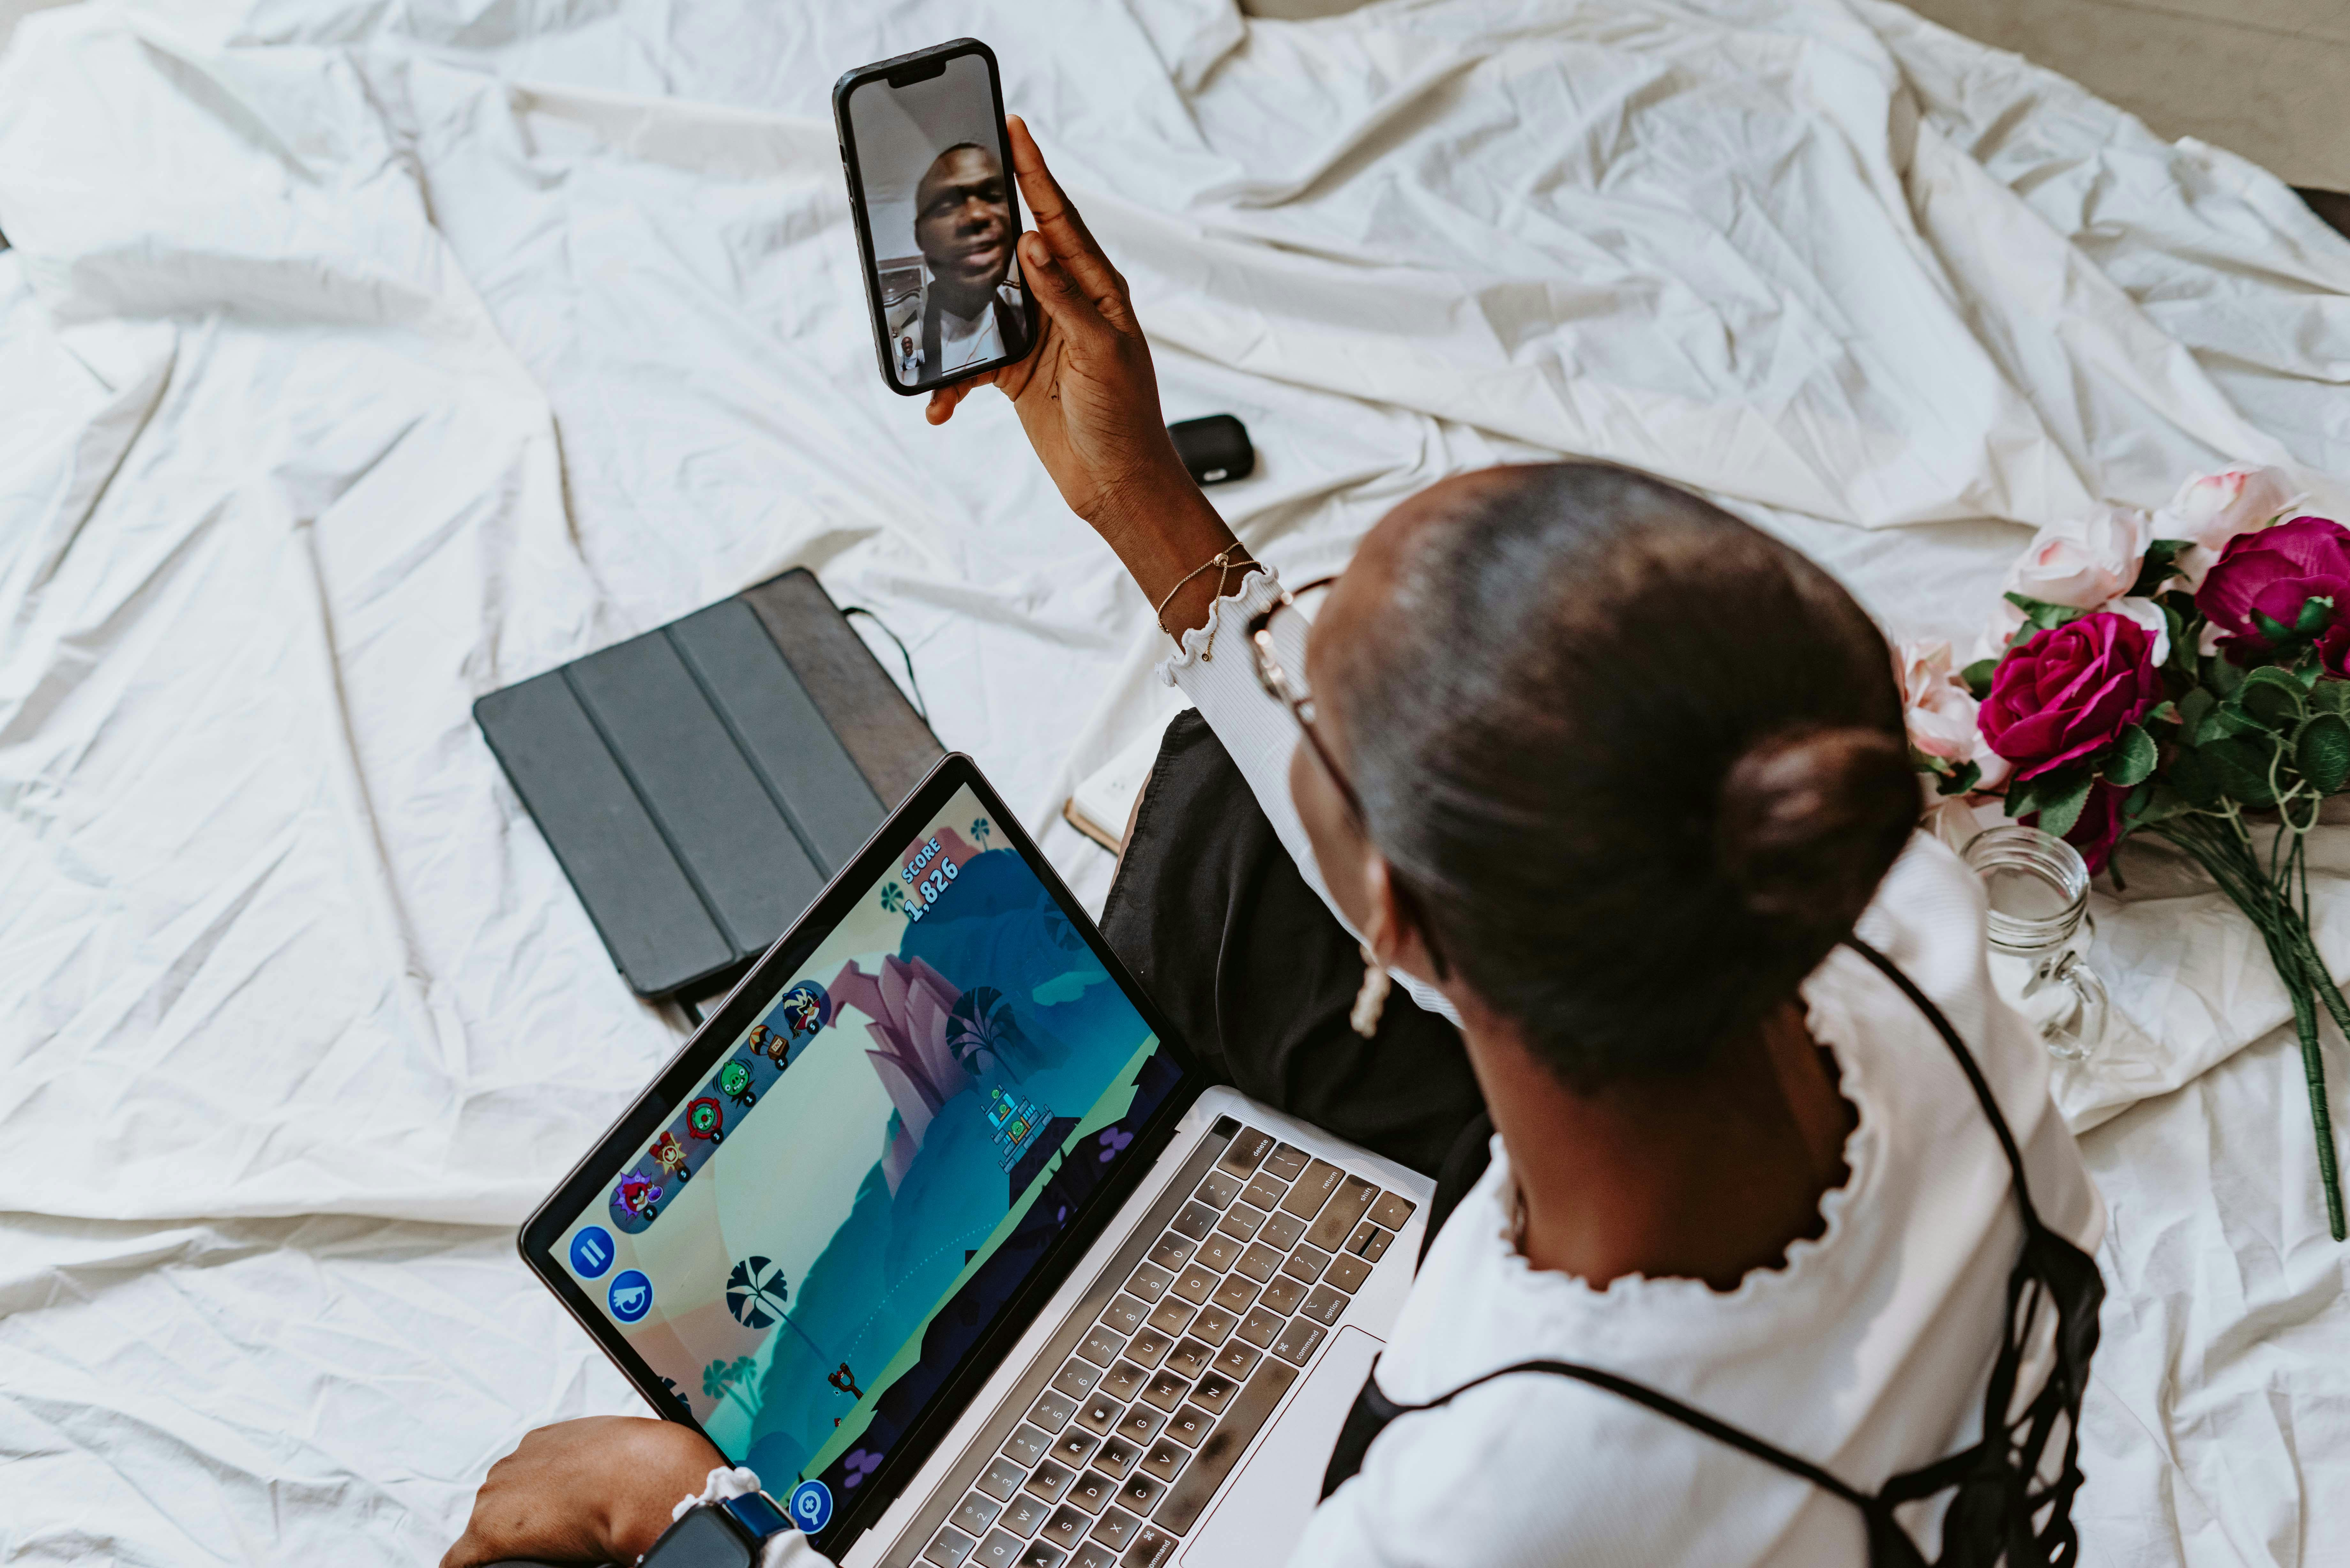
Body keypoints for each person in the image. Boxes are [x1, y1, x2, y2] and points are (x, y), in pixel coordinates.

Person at [443, 116, 2105, 1567]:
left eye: (1320, 668)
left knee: (1204, 850)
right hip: (1832, 1429)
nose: (1285, 657)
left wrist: (699, 1508)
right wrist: (1146, 502)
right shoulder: (1902, 916)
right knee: (1217, 845)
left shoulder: (1475, 1513)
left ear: (1387, 922)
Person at [893, 141, 1027, 387]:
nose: (976, 215)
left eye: (995, 196)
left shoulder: (1035, 315)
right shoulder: (902, 331)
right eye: (946, 206)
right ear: (920, 237)